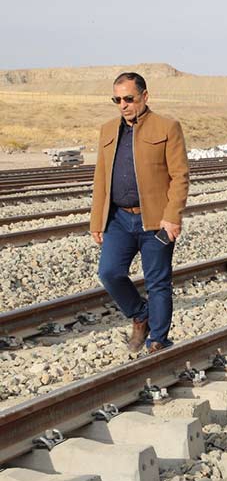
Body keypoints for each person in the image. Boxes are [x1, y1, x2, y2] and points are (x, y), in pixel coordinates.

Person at [90, 72, 189, 353]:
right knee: (109, 272)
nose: (123, 105)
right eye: (117, 100)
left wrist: (173, 216)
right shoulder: (108, 130)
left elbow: (180, 176)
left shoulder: (167, 127)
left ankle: (158, 339)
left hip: (156, 219)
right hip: (118, 219)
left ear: (145, 96)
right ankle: (140, 314)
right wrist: (97, 220)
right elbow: (101, 177)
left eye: (129, 98)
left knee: (157, 281)